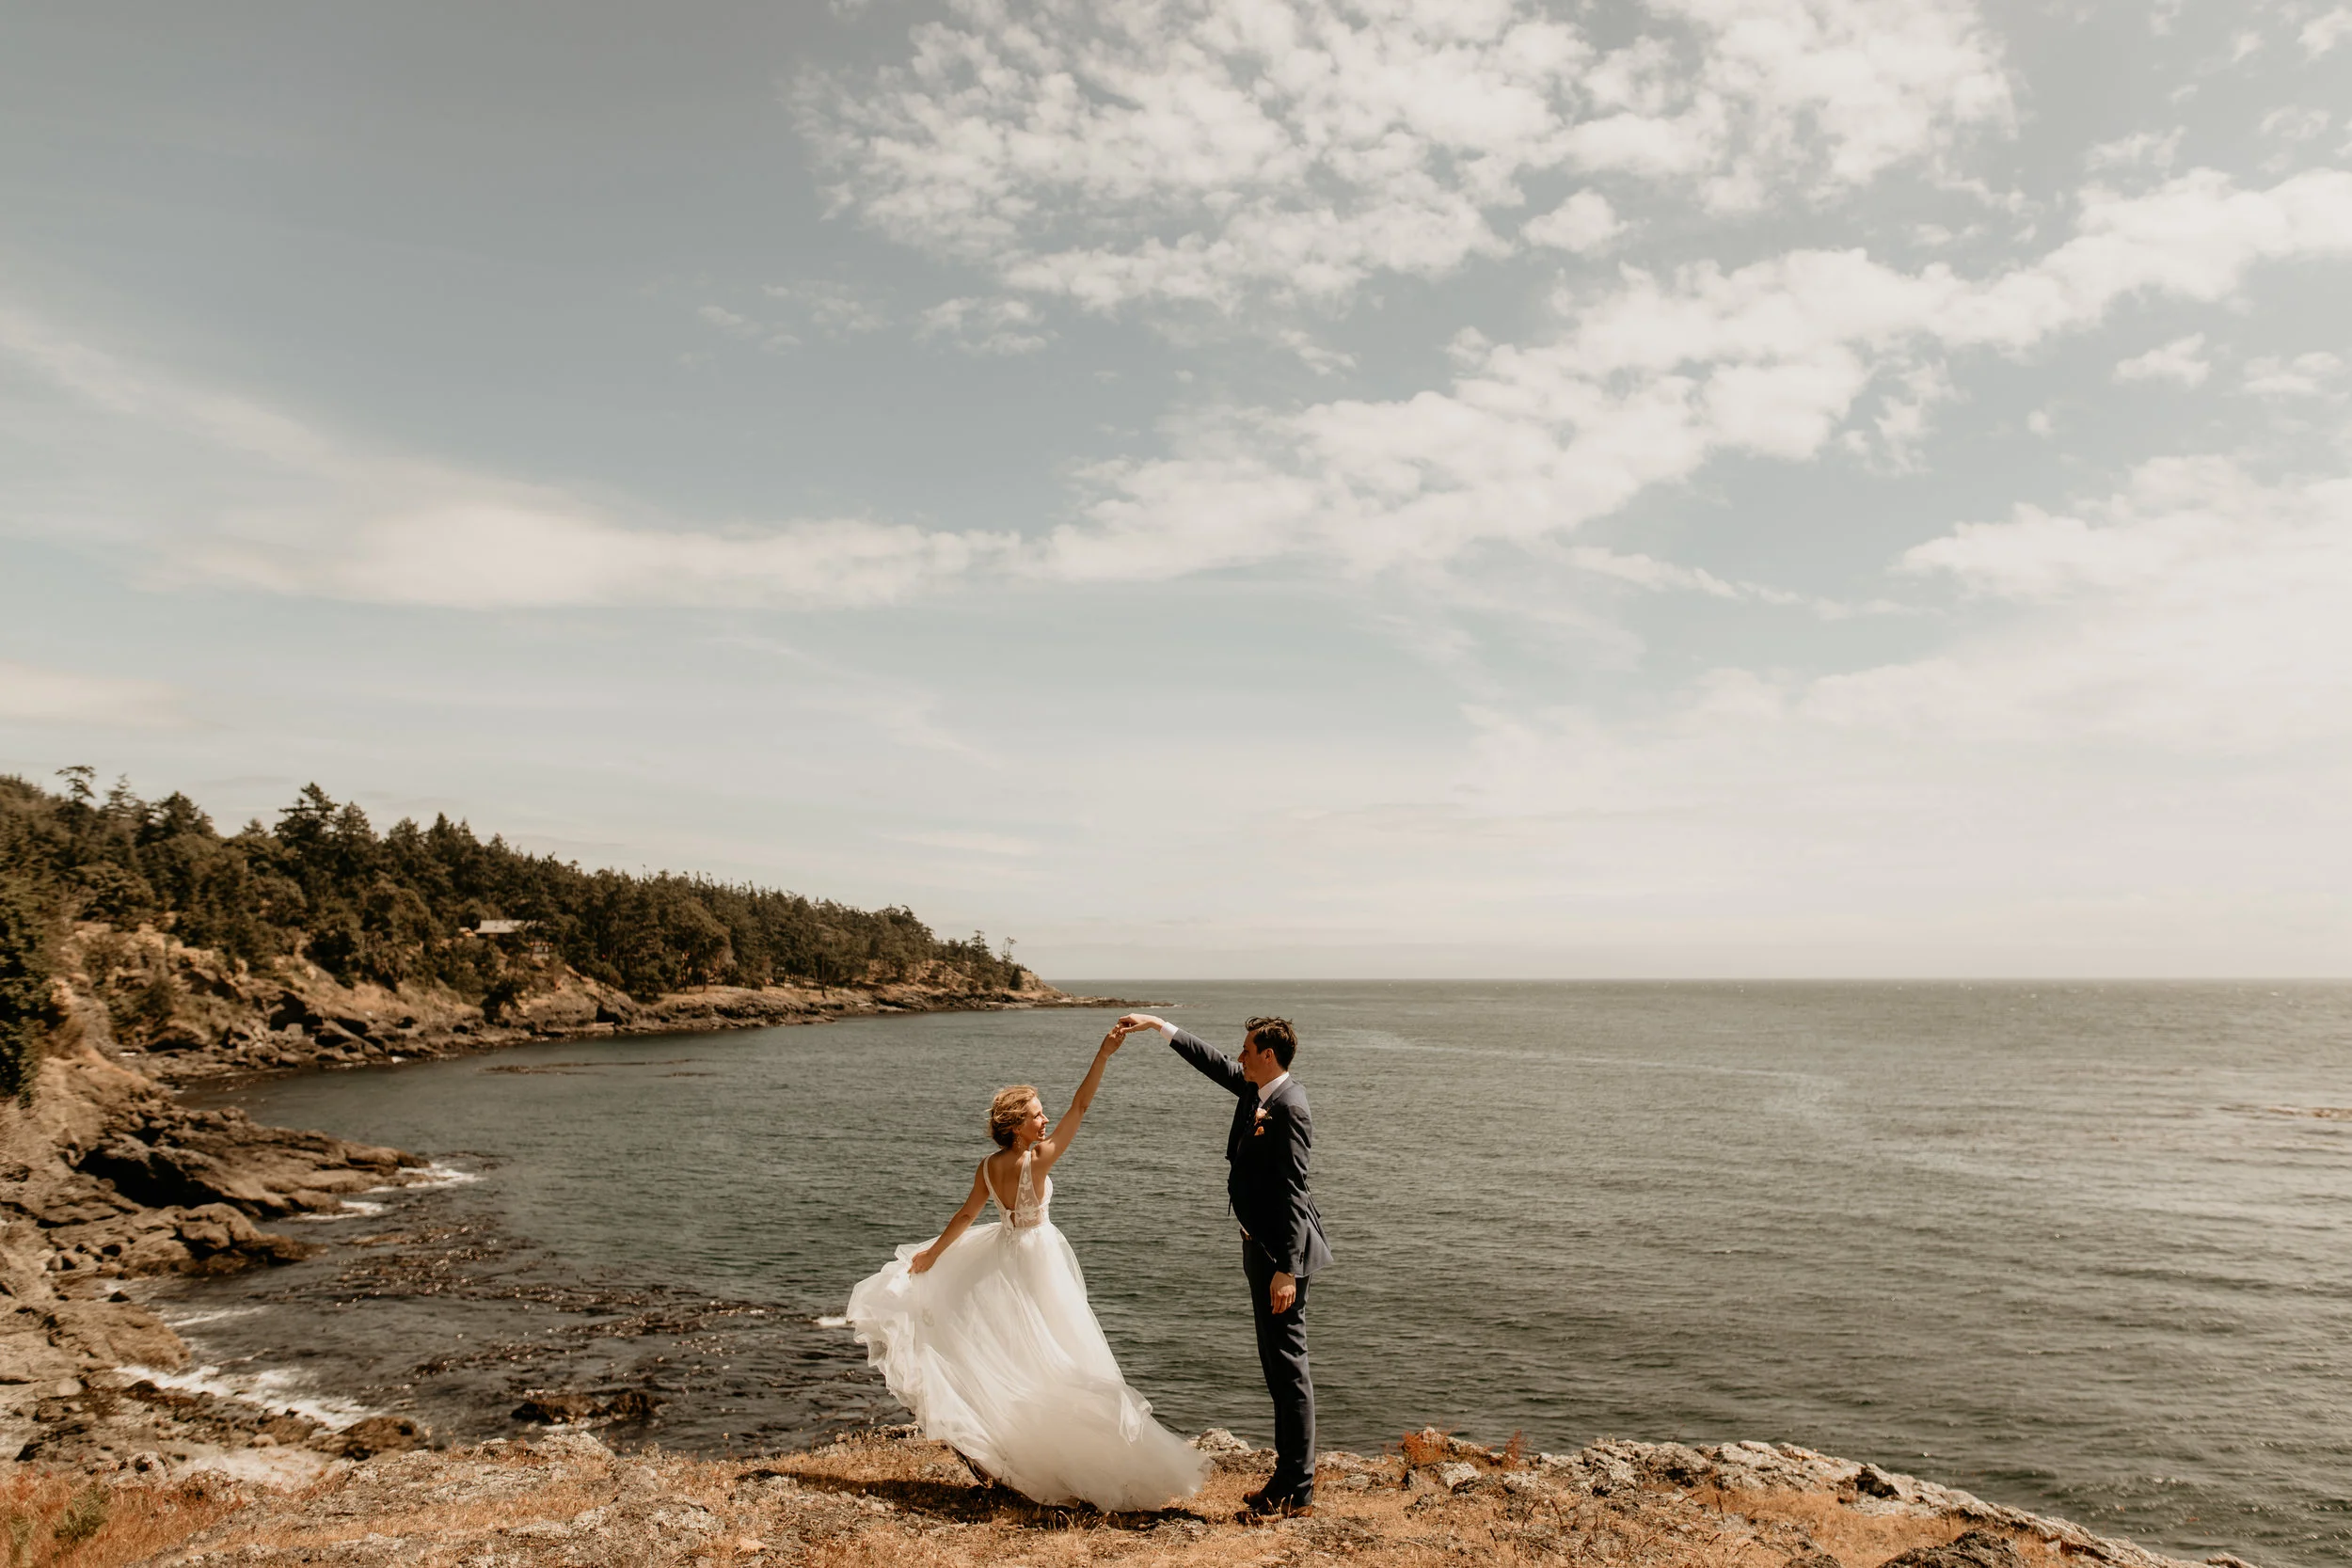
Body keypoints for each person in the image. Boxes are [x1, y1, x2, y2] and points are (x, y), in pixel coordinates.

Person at [843, 1023, 1208, 1511]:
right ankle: (1074, 1460)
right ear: (1016, 1127)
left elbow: (966, 1216)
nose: (1046, 1119)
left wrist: (933, 1256)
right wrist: (1104, 1054)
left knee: (1020, 1355)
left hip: (1005, 1255)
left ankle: (1018, 1454)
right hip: (1038, 1259)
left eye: (1043, 1114)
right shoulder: (1036, 1161)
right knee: (1064, 1353)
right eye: (1037, 1115)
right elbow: (1082, 1106)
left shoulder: (988, 1166)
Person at [1119, 1011, 1331, 1518]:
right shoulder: (1257, 1090)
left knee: (1289, 1370)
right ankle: (1285, 1479)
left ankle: (1297, 1489)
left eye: (1245, 1049)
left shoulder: (1288, 1107)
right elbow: (1211, 1062)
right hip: (1258, 1246)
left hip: (1281, 1257)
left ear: (1267, 1054)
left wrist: (1288, 1269)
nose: (1238, 1056)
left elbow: (1294, 1193)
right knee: (1275, 1367)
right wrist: (1158, 1026)